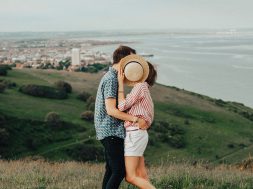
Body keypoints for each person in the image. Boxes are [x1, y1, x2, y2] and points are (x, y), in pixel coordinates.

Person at [94, 46, 148, 189]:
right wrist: (136, 119)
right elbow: (111, 110)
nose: (134, 64)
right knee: (119, 171)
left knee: (111, 169)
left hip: (108, 131)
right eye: (132, 60)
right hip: (111, 131)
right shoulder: (112, 79)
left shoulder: (112, 77)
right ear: (124, 60)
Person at [117, 60, 157, 189]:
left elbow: (122, 106)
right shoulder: (145, 89)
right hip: (139, 134)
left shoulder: (140, 86)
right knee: (141, 175)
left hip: (134, 134)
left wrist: (120, 84)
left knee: (131, 176)